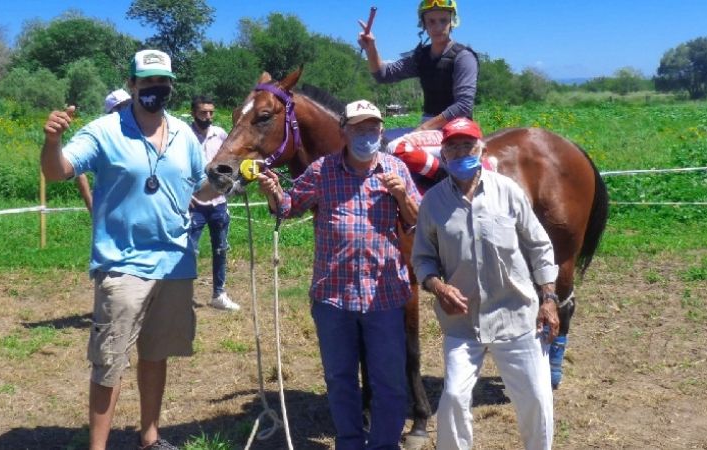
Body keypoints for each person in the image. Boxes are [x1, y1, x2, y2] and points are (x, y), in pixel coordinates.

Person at [41, 49, 217, 450]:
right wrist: (52, 142)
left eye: (163, 82)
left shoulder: (183, 134)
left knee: (156, 355)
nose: (156, 88)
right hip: (122, 266)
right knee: (109, 362)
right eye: (148, 81)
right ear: (133, 84)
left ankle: (149, 438)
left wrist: (222, 181)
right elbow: (57, 172)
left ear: (171, 85)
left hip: (174, 262)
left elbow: (199, 189)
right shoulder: (104, 130)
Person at [256, 100, 421, 450]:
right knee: (340, 378)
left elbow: (417, 221)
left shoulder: (395, 169)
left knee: (389, 381)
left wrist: (403, 195)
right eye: (359, 128)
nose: (367, 135)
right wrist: (274, 193)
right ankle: (349, 442)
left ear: (381, 131)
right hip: (334, 297)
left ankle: (384, 445)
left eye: (373, 128)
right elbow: (288, 207)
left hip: (385, 296)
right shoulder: (322, 170)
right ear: (344, 131)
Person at [411, 117, 559, 450]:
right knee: (453, 398)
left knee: (536, 398)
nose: (461, 152)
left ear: (482, 149)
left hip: (517, 315)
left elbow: (538, 245)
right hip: (463, 321)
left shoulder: (508, 192)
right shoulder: (433, 203)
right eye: (453, 147)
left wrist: (548, 298)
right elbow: (422, 259)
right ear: (444, 154)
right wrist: (438, 287)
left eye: (468, 145)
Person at [358, 0, 478, 131]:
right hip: (428, 125)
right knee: (383, 142)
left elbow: (464, 106)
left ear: (452, 22)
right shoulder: (421, 57)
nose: (438, 27)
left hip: (459, 128)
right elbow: (383, 75)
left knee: (397, 147)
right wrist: (371, 48)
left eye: (443, 20)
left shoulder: (464, 57)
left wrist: (423, 129)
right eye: (431, 21)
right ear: (424, 24)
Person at [187, 95, 240, 311]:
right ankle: (183, 295)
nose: (207, 117)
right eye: (203, 113)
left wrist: (232, 185)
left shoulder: (220, 134)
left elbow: (232, 160)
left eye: (211, 112)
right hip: (193, 204)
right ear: (193, 113)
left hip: (218, 203)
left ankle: (219, 294)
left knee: (220, 248)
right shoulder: (184, 136)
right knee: (188, 250)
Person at [75, 89, 133, 214]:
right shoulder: (102, 135)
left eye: (130, 105)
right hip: (112, 215)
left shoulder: (138, 133)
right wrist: (91, 205)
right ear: (112, 111)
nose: (128, 109)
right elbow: (78, 171)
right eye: (123, 106)